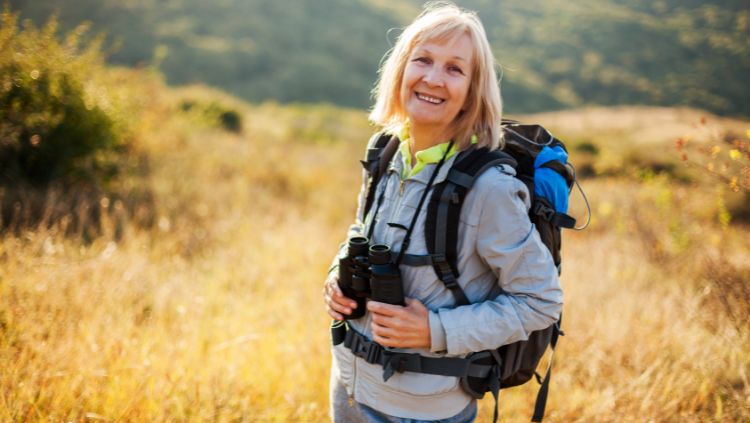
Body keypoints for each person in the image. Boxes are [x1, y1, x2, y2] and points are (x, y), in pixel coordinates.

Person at [323, 3, 562, 422]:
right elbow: (360, 231)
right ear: (401, 69)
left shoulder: (490, 188)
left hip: (423, 411)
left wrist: (436, 331)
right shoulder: (386, 150)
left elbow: (540, 301)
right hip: (349, 388)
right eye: (424, 60)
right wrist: (336, 278)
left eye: (455, 69)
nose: (433, 78)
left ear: (474, 89)